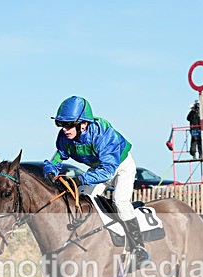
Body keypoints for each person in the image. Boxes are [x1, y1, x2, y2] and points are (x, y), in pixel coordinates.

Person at [43, 96, 150, 267]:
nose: (64, 129)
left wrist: (80, 179)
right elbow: (56, 158)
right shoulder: (65, 138)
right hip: (98, 167)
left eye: (69, 124)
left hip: (121, 166)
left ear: (83, 124)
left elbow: (108, 171)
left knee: (120, 202)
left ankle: (139, 248)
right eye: (61, 124)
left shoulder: (103, 133)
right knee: (84, 198)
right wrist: (50, 172)